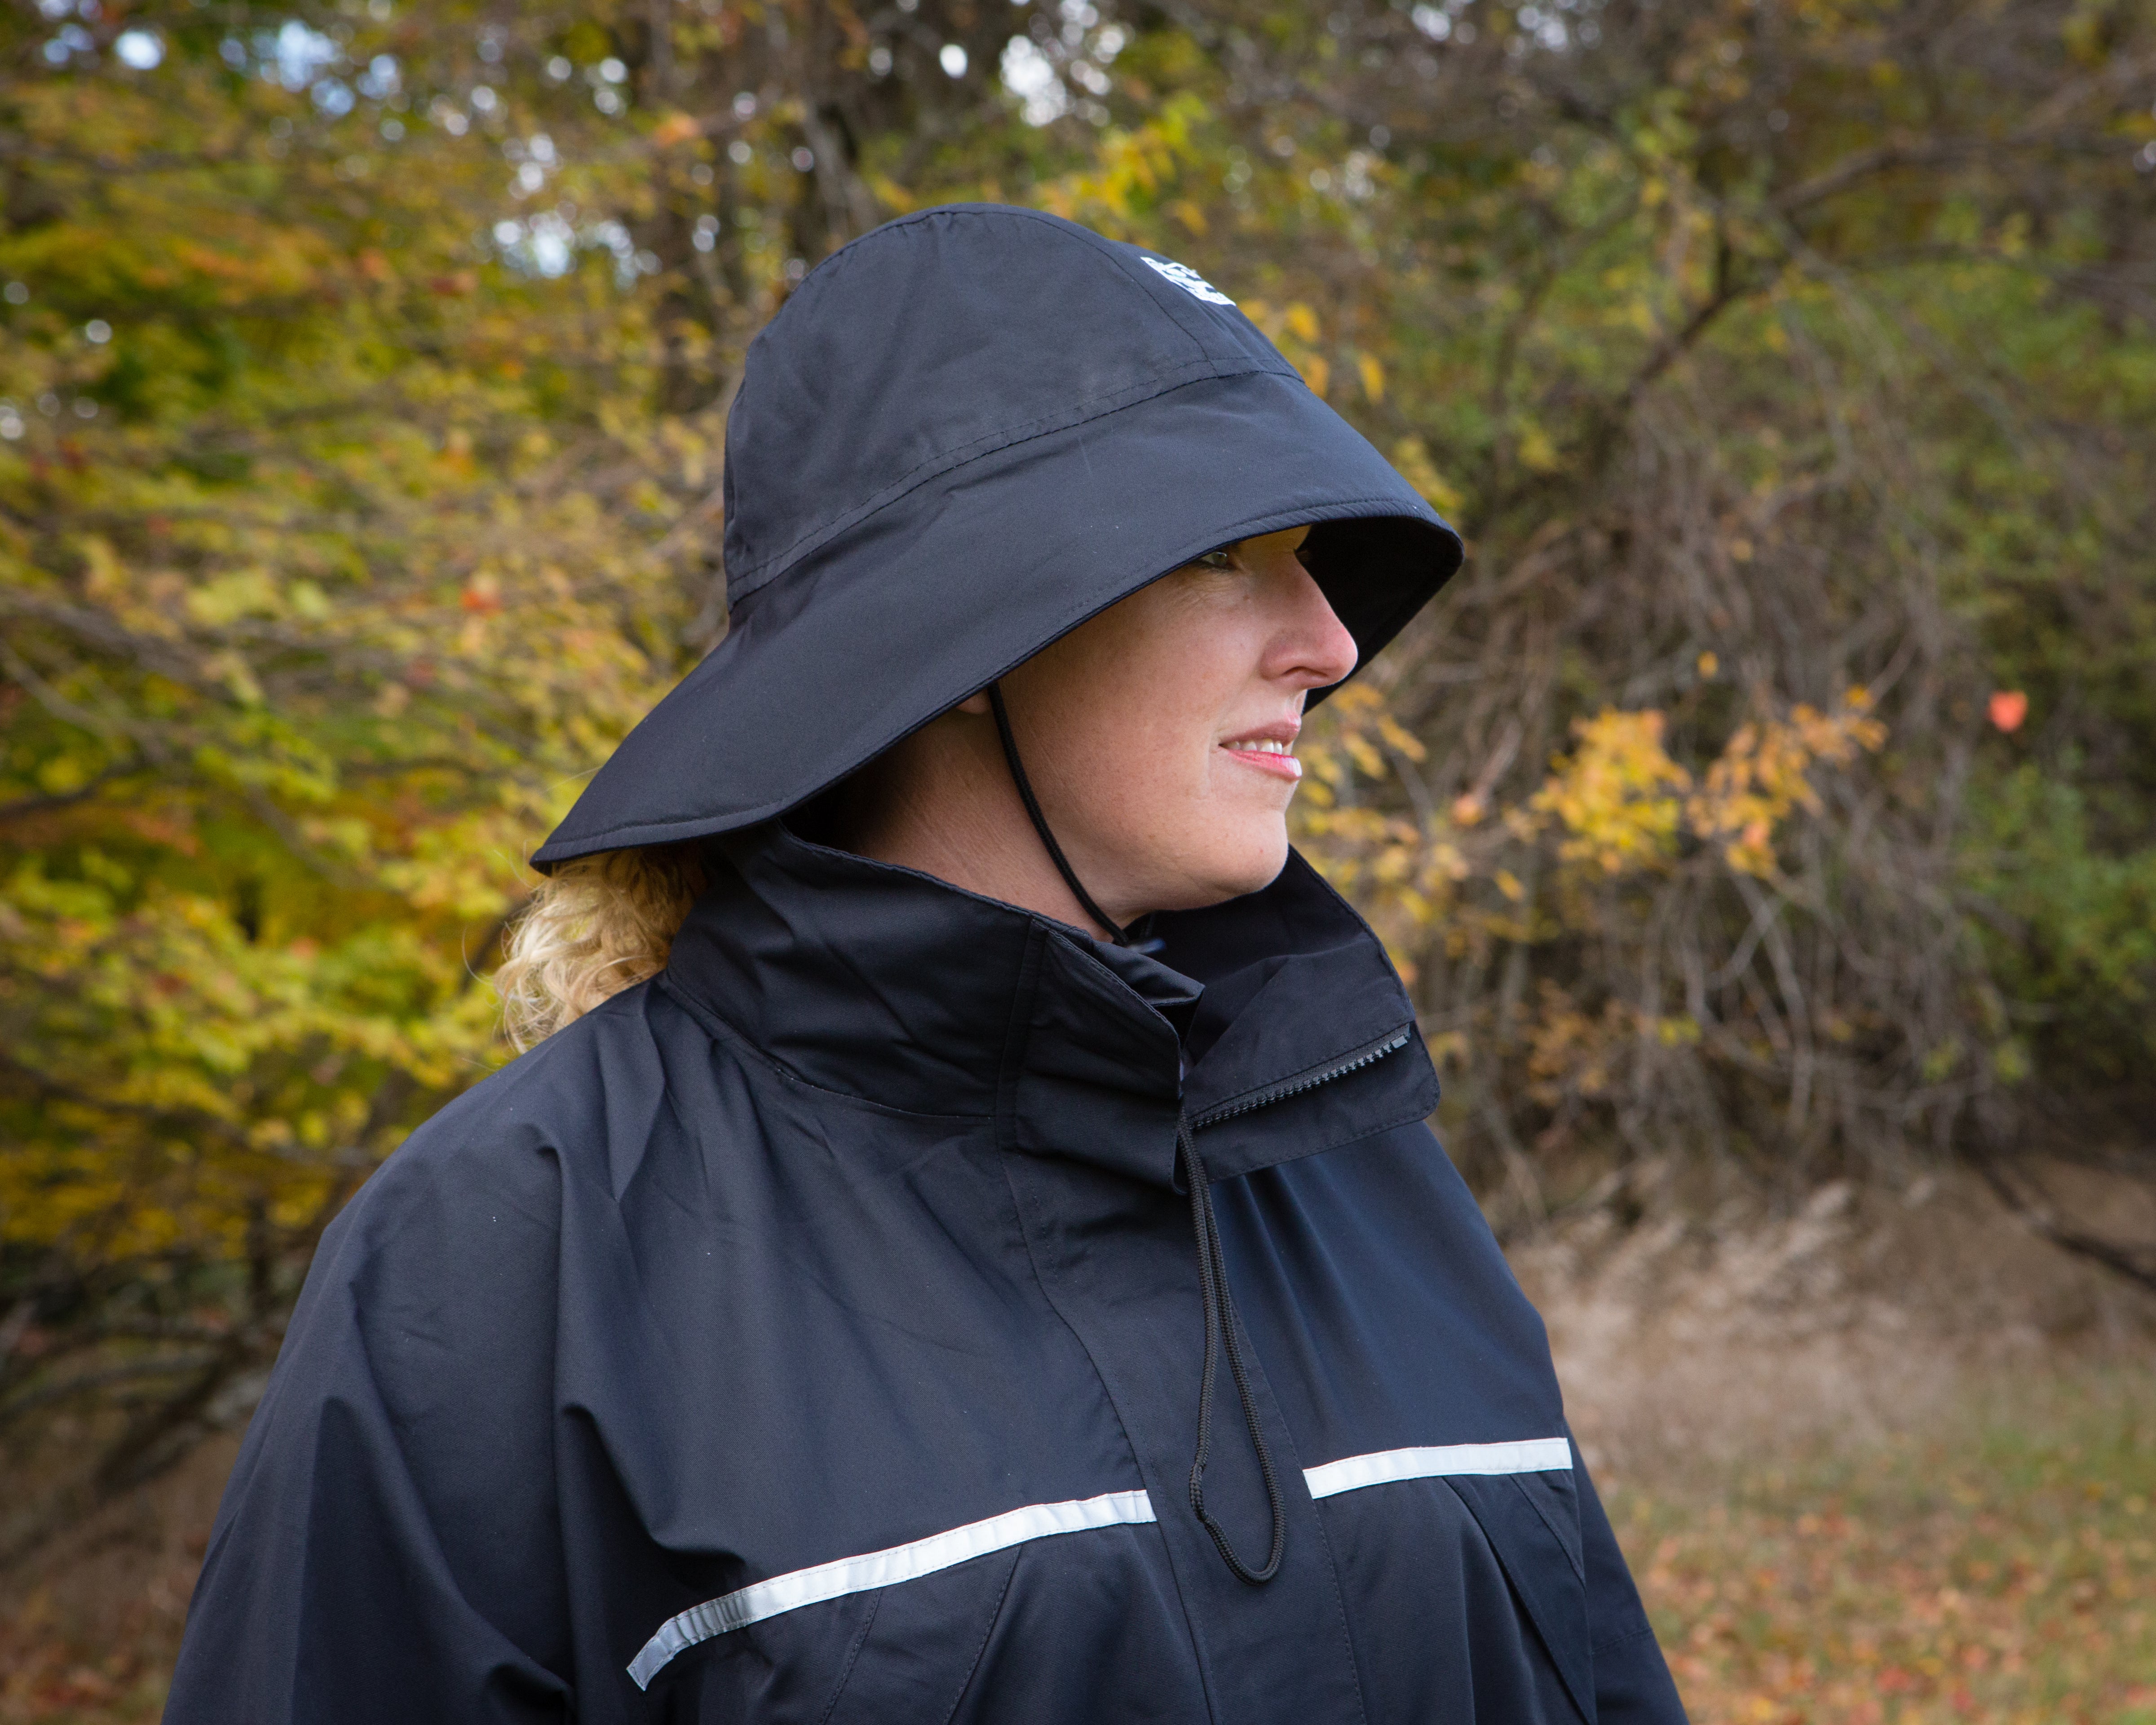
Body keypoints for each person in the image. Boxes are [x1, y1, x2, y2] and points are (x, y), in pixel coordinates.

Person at [164, 204, 1688, 1724]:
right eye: (1227, 552)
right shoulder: (509, 1258)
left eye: (1308, 559)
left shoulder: (1352, 1159)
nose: (1329, 641)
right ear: (964, 637)